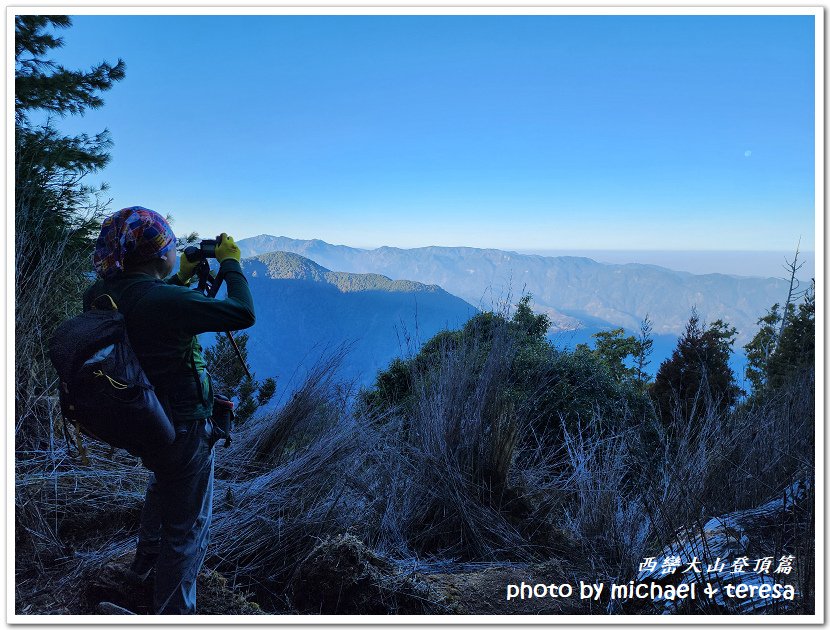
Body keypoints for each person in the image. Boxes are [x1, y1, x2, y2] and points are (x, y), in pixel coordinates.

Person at [82, 206, 255, 614]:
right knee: (188, 530)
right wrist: (231, 262)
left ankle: (140, 574)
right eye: (172, 245)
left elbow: (145, 310)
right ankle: (174, 614)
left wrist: (177, 278)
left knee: (163, 484)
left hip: (145, 419)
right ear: (158, 254)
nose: (177, 250)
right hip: (185, 425)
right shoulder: (165, 299)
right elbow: (243, 312)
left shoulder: (102, 293)